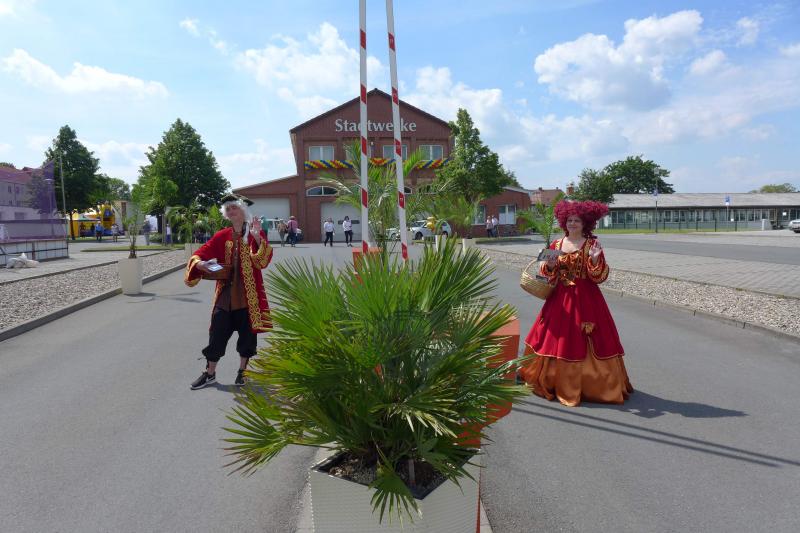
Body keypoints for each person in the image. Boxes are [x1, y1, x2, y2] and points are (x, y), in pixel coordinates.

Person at [519, 200, 632, 407]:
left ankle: (591, 385)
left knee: (587, 339)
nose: (572, 223)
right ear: (564, 222)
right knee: (554, 337)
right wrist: (549, 266)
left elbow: (599, 277)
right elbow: (546, 276)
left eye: (577, 220)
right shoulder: (556, 245)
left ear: (584, 223)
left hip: (586, 298)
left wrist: (595, 260)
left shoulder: (592, 245)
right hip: (560, 299)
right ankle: (551, 380)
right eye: (569, 220)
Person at [185, 193, 273, 389]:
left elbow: (262, 262)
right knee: (216, 335)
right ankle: (209, 373)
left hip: (249, 298)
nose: (231, 211)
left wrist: (257, 238)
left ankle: (243, 372)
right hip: (225, 297)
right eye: (228, 209)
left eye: (235, 207)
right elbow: (202, 252)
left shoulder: (255, 233)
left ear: (243, 210)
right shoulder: (221, 235)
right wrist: (199, 263)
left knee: (247, 338)